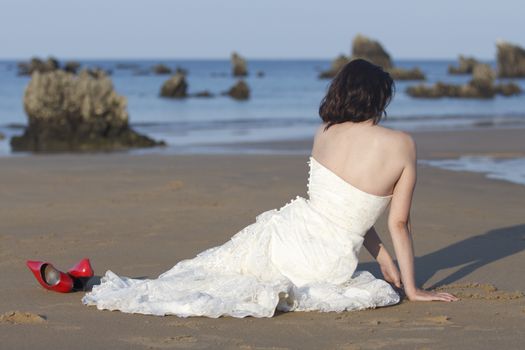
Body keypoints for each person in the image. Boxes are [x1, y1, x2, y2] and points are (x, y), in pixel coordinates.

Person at [82, 59, 458, 318]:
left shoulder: (324, 133)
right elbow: (397, 223)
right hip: (322, 260)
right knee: (227, 282)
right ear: (379, 98)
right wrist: (411, 288)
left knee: (207, 274)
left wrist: (381, 258)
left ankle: (101, 283)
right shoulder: (401, 145)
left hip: (284, 233)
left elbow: (338, 206)